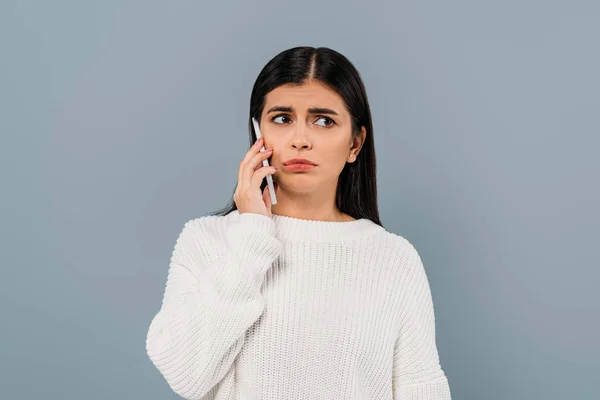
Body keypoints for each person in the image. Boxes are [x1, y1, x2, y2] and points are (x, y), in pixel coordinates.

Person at [145, 46, 452, 399]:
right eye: (281, 119)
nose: (300, 140)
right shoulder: (208, 240)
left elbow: (421, 388)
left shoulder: (393, 258)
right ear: (257, 132)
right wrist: (252, 238)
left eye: (324, 121)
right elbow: (185, 374)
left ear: (355, 144)